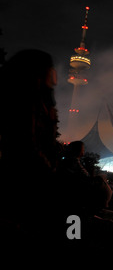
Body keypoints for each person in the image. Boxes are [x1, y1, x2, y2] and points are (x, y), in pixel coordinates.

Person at [0, 49, 61, 247]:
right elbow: (26, 145)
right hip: (25, 188)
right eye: (50, 71)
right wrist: (49, 174)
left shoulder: (39, 105)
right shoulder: (24, 105)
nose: (53, 78)